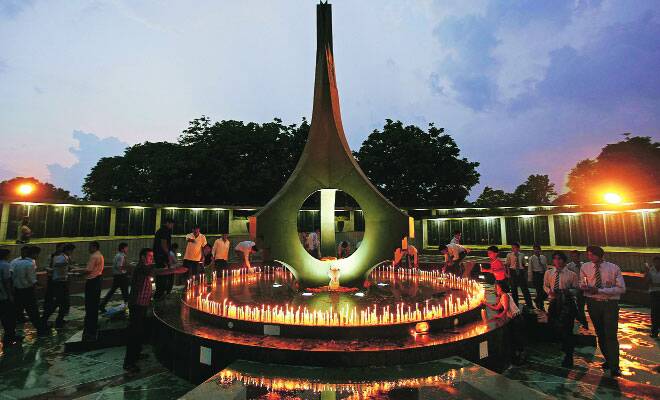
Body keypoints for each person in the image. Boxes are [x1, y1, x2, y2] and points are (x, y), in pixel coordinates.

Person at [580, 245, 625, 377]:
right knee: (600, 333)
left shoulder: (613, 268)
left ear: (600, 255)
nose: (590, 257)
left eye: (592, 254)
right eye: (588, 255)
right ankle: (608, 359)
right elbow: (581, 282)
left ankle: (615, 366)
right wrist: (584, 287)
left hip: (609, 303)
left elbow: (621, 288)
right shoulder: (585, 267)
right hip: (593, 303)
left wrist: (600, 290)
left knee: (610, 334)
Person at [544, 251, 580, 368]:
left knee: (567, 328)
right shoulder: (549, 273)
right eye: (555, 259)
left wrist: (566, 291)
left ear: (564, 261)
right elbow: (545, 285)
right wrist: (549, 292)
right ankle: (562, 345)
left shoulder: (571, 274)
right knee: (553, 324)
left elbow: (576, 289)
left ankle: (569, 355)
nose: (557, 261)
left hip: (566, 304)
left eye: (559, 259)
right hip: (554, 302)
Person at [124, 248, 156, 373]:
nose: (151, 258)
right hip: (137, 305)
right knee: (134, 333)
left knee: (139, 331)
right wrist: (174, 269)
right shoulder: (141, 267)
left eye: (152, 256)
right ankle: (129, 362)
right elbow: (154, 270)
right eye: (149, 256)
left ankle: (136, 354)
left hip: (142, 305)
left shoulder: (145, 268)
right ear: (142, 257)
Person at [482, 281, 525, 364]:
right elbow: (497, 308)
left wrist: (498, 316)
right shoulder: (502, 297)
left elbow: (505, 309)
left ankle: (521, 355)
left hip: (516, 318)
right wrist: (485, 303)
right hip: (514, 318)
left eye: (497, 287)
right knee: (515, 337)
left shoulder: (505, 295)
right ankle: (518, 355)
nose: (496, 289)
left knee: (517, 337)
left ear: (501, 288)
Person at [11, 246, 49, 336]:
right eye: (37, 254)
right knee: (33, 312)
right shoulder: (29, 264)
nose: (38, 256)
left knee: (17, 310)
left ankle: (13, 332)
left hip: (17, 290)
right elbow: (32, 280)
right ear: (33, 254)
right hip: (27, 291)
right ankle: (41, 330)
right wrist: (42, 286)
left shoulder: (16, 262)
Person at [42, 243, 75, 328]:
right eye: (71, 251)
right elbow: (57, 264)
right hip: (58, 282)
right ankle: (45, 319)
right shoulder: (60, 257)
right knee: (58, 302)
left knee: (63, 302)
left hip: (62, 281)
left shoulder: (65, 257)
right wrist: (65, 263)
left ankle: (59, 320)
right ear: (68, 250)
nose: (71, 253)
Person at [82, 242, 104, 341]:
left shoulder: (93, 256)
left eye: (90, 247)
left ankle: (89, 328)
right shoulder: (100, 255)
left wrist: (78, 273)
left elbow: (88, 270)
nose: (88, 249)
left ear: (94, 247)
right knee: (94, 304)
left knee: (89, 305)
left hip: (92, 281)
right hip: (98, 280)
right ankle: (93, 324)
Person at [100, 243, 130, 313]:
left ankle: (102, 305)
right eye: (126, 248)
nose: (127, 249)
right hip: (121, 276)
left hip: (117, 276)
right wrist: (124, 272)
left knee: (113, 291)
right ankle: (129, 305)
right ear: (122, 249)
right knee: (125, 291)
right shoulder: (121, 256)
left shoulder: (117, 255)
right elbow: (119, 266)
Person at [0, 248, 21, 346]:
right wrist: (10, 295)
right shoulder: (5, 265)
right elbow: (7, 281)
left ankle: (9, 336)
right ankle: (10, 337)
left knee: (4, 317)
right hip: (4, 296)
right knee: (10, 317)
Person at [505, 243, 533, 308]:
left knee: (524, 289)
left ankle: (529, 304)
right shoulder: (509, 255)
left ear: (518, 248)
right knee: (514, 289)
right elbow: (507, 265)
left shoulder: (522, 255)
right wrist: (508, 273)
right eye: (512, 247)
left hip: (520, 272)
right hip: (513, 272)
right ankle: (515, 305)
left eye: (514, 247)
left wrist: (524, 271)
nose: (513, 249)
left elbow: (524, 264)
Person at [567, 250, 588, 330]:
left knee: (581, 305)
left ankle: (581, 319)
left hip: (583, 288)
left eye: (576, 256)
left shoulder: (584, 265)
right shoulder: (569, 266)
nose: (575, 258)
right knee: (579, 305)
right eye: (573, 256)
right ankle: (582, 320)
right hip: (575, 288)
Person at [153, 218, 174, 299]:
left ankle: (159, 293)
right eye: (171, 224)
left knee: (161, 275)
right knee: (163, 275)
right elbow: (163, 244)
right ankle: (160, 294)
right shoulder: (165, 231)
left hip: (159, 255)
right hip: (161, 256)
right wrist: (168, 256)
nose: (172, 226)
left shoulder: (160, 230)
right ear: (167, 223)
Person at [644, 256, 660, 338]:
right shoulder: (650, 270)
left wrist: (655, 284)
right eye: (656, 262)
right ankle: (654, 331)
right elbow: (647, 283)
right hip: (653, 293)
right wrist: (646, 273)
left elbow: (652, 284)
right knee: (654, 313)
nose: (657, 264)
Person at [529, 245, 548, 311]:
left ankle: (537, 300)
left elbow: (546, 266)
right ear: (533, 250)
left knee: (545, 291)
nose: (536, 251)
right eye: (535, 249)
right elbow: (530, 269)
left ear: (540, 250)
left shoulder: (543, 257)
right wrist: (530, 278)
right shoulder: (531, 258)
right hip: (536, 275)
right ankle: (541, 306)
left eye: (537, 249)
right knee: (539, 291)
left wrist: (547, 275)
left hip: (543, 275)